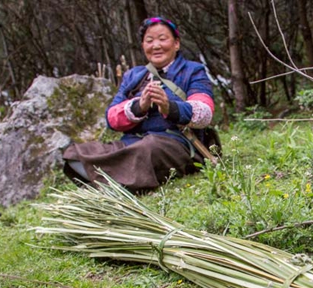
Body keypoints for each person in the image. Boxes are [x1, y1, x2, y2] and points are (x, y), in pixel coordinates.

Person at [63, 17, 215, 191]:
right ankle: (115, 180)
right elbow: (111, 118)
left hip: (172, 144)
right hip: (132, 144)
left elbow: (205, 113)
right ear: (143, 46)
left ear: (176, 44)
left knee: (148, 148)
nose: (156, 46)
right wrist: (139, 106)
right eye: (149, 41)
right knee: (76, 153)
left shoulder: (193, 71)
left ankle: (106, 181)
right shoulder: (133, 76)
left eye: (163, 39)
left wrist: (169, 107)